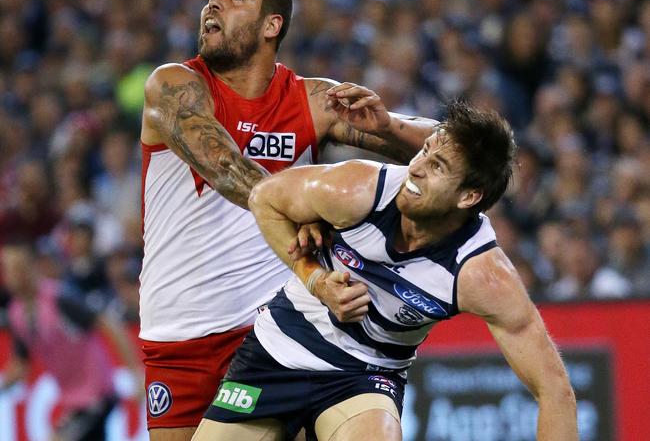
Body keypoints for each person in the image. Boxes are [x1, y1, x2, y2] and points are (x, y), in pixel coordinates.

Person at [139, 0, 436, 440]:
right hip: (179, 333)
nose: (212, 4)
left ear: (272, 25)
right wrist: (293, 209)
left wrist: (387, 127)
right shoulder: (174, 86)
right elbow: (226, 168)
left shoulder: (311, 100)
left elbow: (446, 150)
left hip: (276, 325)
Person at [193, 101, 578, 441]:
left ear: (469, 196)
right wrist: (316, 280)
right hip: (279, 351)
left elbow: (554, 389)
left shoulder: (481, 274)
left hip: (363, 377)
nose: (417, 167)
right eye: (425, 151)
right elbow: (265, 198)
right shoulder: (356, 190)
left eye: (437, 166)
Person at [0, 241, 143, 441]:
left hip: (97, 394)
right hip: (73, 400)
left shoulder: (58, 298)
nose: (13, 275)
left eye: (18, 267)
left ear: (33, 266)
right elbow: (20, 365)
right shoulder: (17, 314)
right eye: (7, 269)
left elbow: (110, 325)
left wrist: (136, 374)